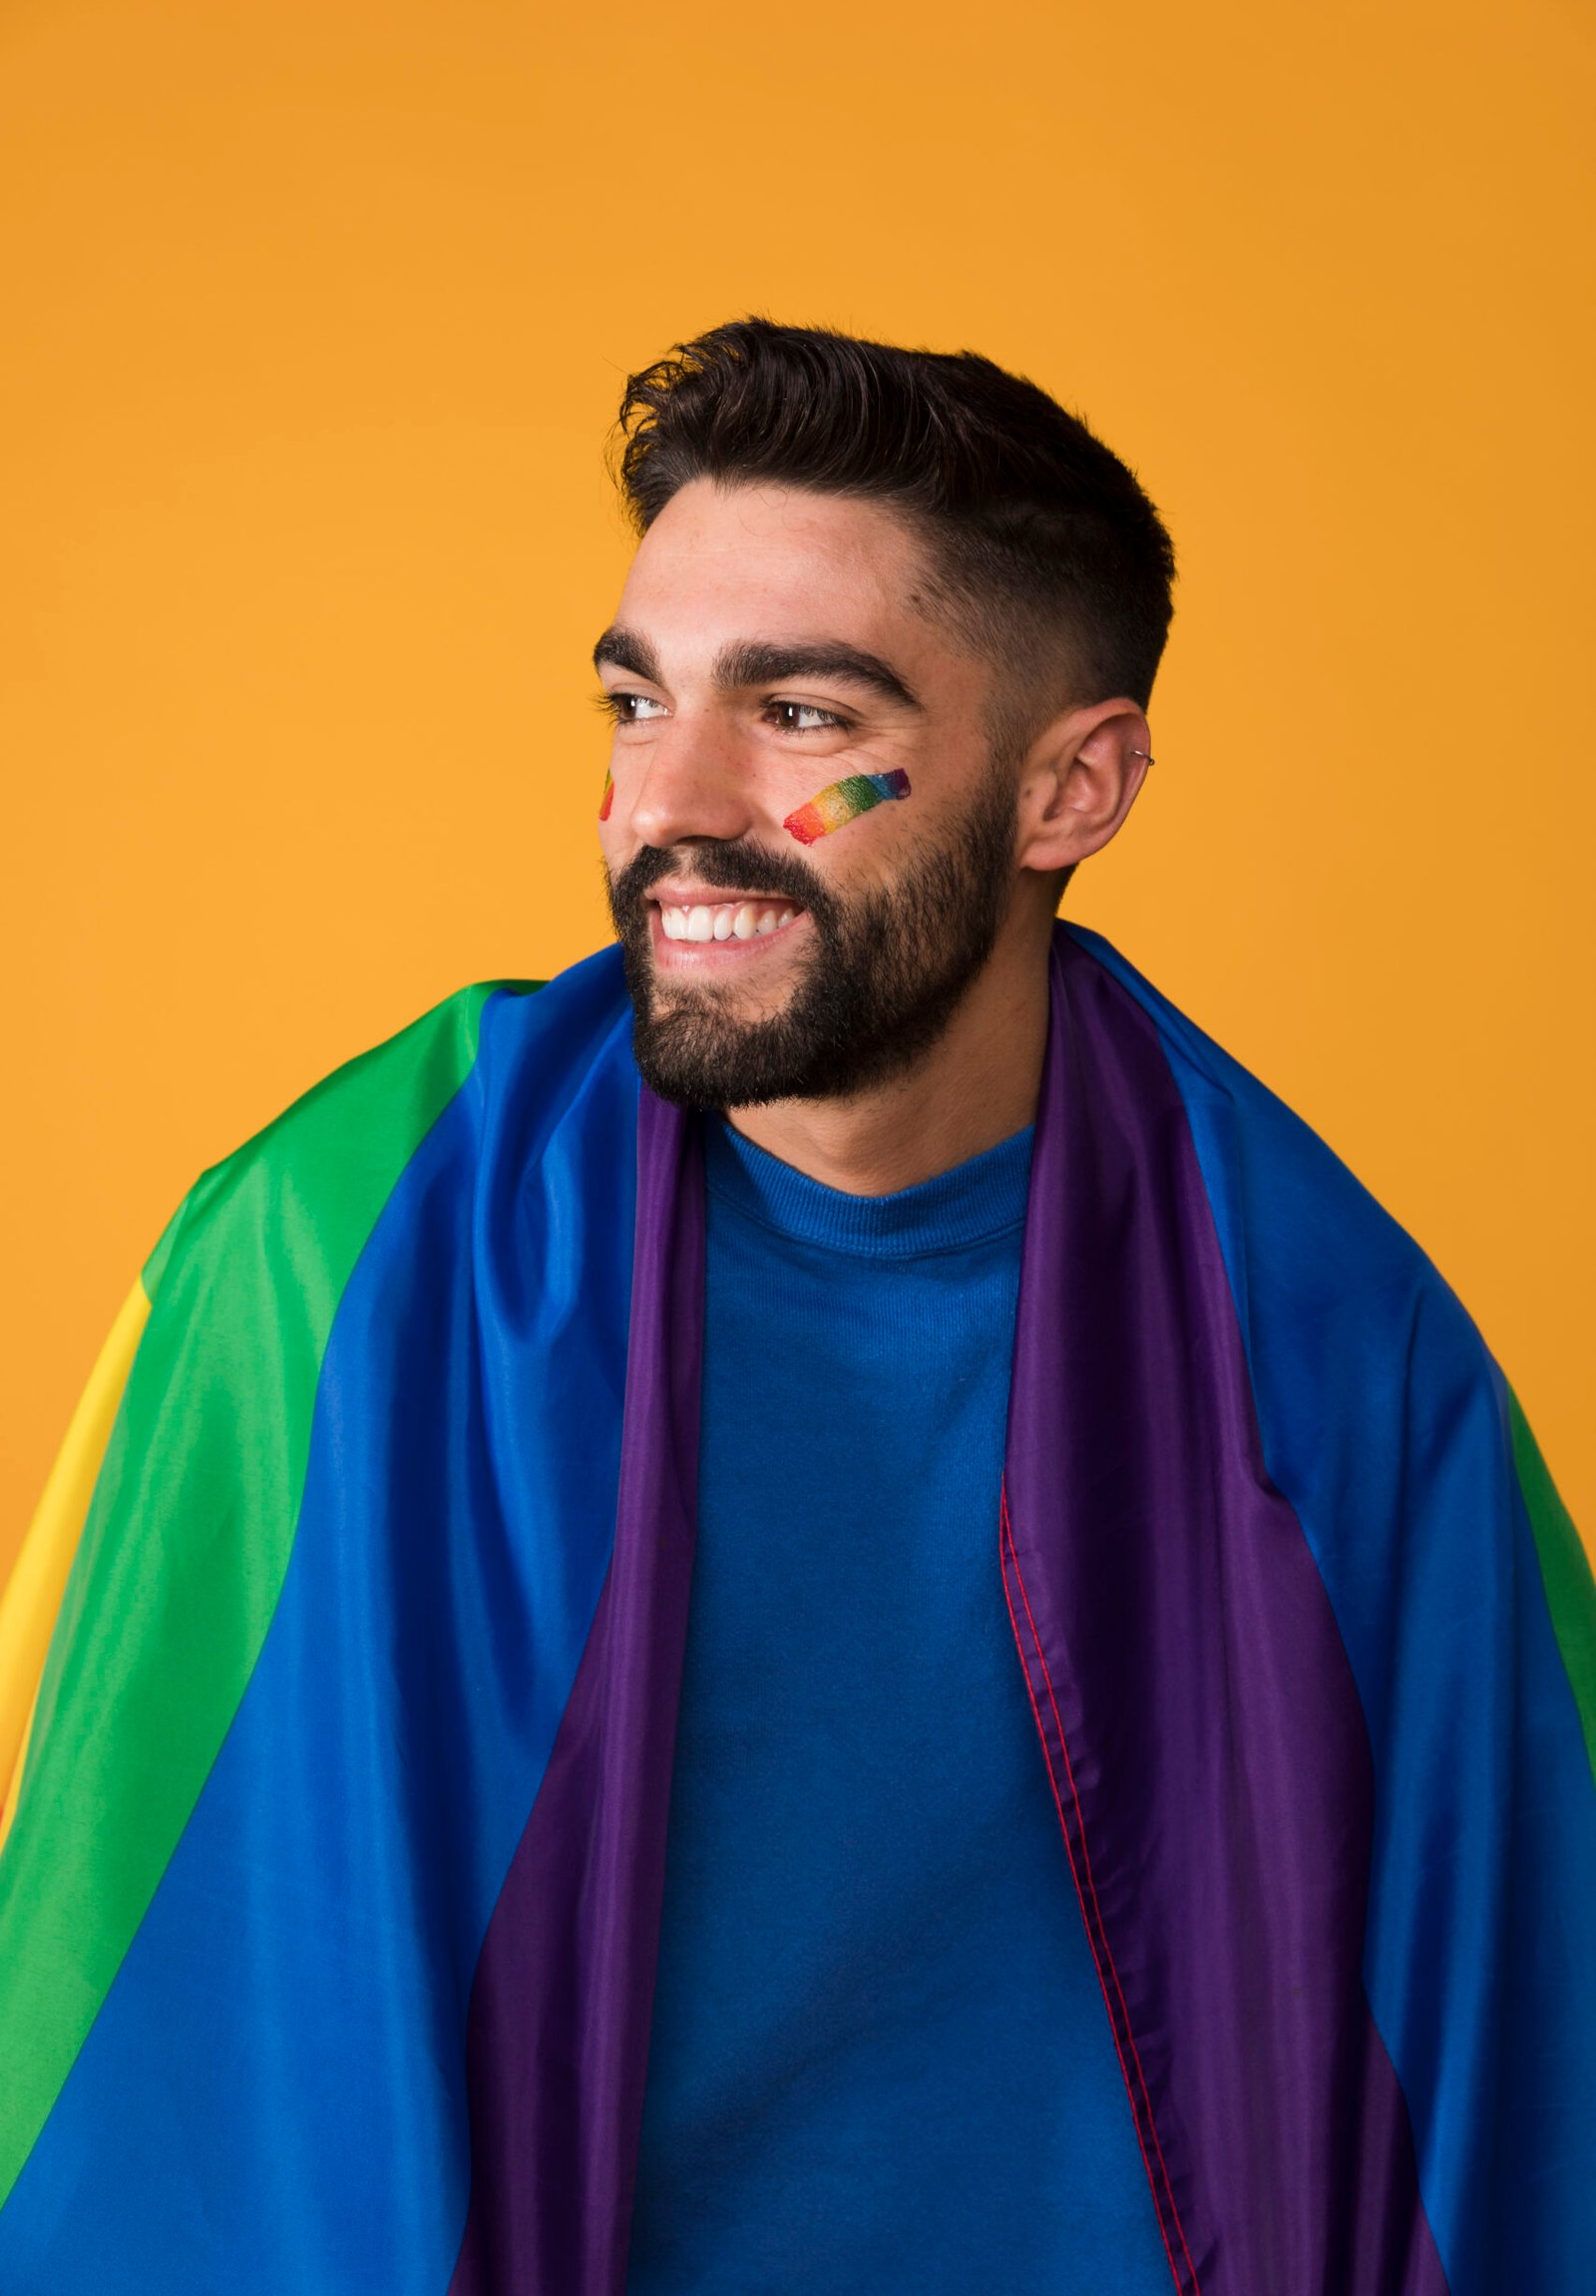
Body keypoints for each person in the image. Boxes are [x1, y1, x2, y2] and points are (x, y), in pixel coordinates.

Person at [0, 321, 1590, 2296]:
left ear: (1069, 787)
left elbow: (1516, 2062)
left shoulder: (1340, 1357)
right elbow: (137, 2004)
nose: (666, 804)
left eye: (803, 717)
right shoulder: (333, 1264)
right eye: (633, 702)